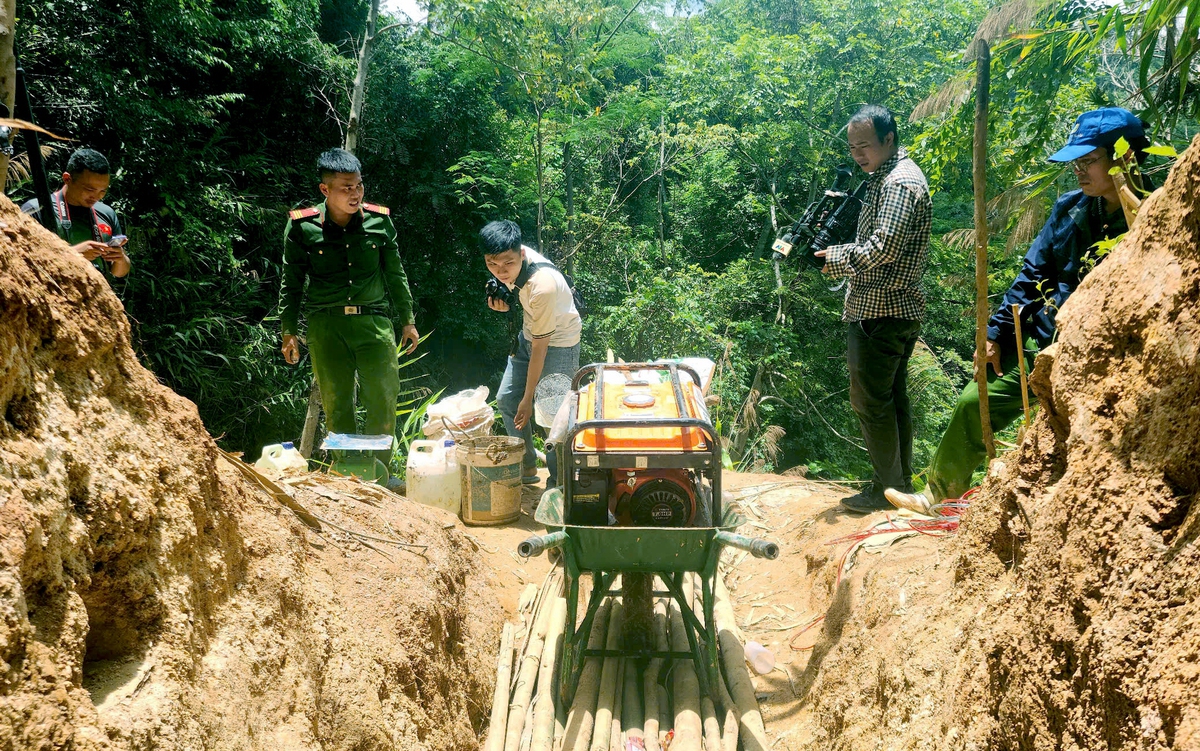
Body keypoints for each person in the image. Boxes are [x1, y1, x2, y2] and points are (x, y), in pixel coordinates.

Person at [885, 107, 1150, 514]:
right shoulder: (1070, 208)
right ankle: (940, 494)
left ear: (1125, 156)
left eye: (1088, 160)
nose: (1079, 170)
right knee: (975, 402)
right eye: (1075, 161)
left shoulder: (1155, 213)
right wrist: (994, 335)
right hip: (1042, 336)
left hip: (1102, 357)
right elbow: (1032, 274)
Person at [813, 104, 933, 514]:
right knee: (890, 399)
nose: (858, 155)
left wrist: (833, 256)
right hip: (885, 307)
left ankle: (887, 489)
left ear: (889, 140)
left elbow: (883, 248)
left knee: (870, 401)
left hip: (884, 309)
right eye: (851, 148)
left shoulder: (900, 183)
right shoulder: (883, 177)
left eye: (864, 145)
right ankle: (893, 484)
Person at [278, 148, 419, 467]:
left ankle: (379, 470)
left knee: (382, 398)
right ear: (325, 190)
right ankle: (348, 472)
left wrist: (408, 320)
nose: (355, 193)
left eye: (358, 186)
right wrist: (288, 331)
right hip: (327, 328)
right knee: (338, 404)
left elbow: (395, 274)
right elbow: (292, 282)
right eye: (346, 187)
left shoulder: (379, 221)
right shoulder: (302, 227)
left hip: (374, 324)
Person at [481, 220, 581, 486]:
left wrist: (528, 398)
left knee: (552, 414)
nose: (501, 271)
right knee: (505, 399)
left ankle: (560, 484)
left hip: (559, 342)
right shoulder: (509, 255)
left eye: (507, 264)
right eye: (492, 264)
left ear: (522, 254)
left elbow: (541, 348)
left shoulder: (542, 286)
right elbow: (506, 280)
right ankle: (525, 465)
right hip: (530, 334)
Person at [21, 148, 130, 277]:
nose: (96, 197)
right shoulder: (37, 209)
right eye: (90, 189)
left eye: (103, 191)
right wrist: (72, 255)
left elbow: (119, 273)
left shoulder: (106, 213)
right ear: (67, 179)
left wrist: (120, 258)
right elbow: (21, 262)